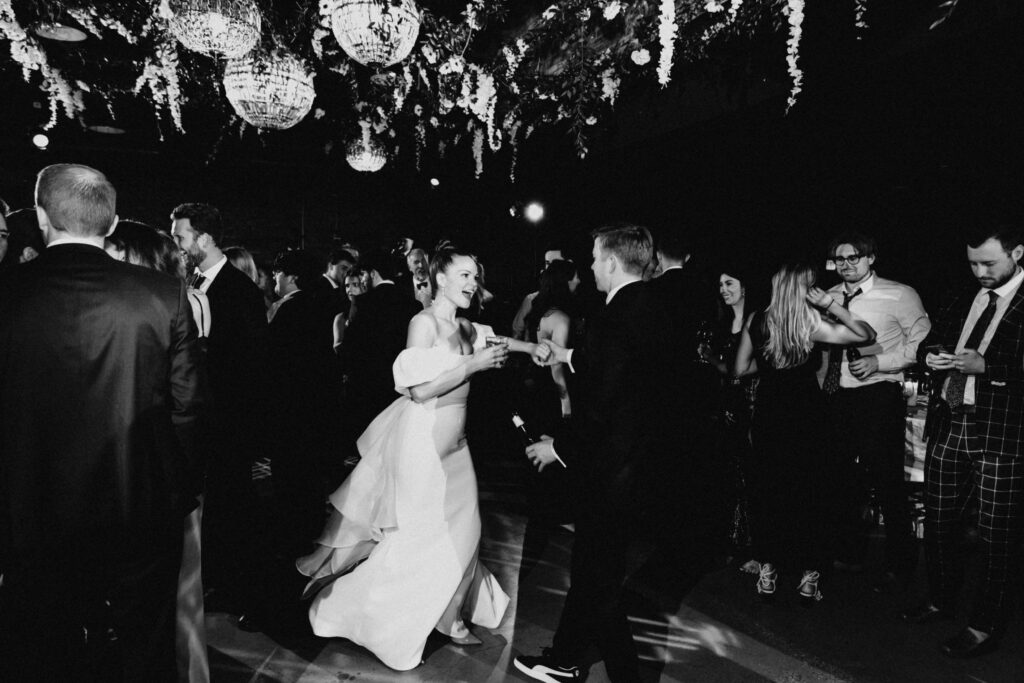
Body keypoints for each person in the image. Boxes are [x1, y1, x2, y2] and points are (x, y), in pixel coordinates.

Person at [0, 164, 203, 681]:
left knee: (41, 643)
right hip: (138, 501)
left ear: (42, 215)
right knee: (147, 644)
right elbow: (187, 407)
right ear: (111, 225)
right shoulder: (163, 294)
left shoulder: (7, 291)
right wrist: (180, 489)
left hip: (30, 505)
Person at [296, 248, 527, 670]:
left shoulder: (466, 326)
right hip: (422, 450)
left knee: (469, 533)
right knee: (417, 540)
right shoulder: (423, 324)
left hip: (457, 449)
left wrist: (538, 348)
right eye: (464, 275)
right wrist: (472, 365)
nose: (473, 284)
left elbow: (501, 340)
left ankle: (450, 616)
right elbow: (418, 390)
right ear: (439, 278)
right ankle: (360, 614)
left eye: (476, 276)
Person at [516, 224, 669, 683]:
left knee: (597, 579)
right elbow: (622, 369)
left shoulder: (614, 315)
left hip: (612, 469)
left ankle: (621, 675)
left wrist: (556, 446)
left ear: (612, 262)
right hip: (638, 462)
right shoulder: (650, 306)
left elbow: (601, 404)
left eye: (594, 258)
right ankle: (564, 658)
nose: (590, 267)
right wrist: (567, 356)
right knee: (592, 572)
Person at [902, 224, 1024, 659]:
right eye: (973, 262)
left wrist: (987, 367)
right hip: (950, 421)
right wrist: (930, 355)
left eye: (989, 262)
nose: (980, 271)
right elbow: (932, 339)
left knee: (997, 537)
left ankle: (985, 624)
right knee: (938, 522)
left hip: (1003, 435)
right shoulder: (964, 293)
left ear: (1018, 253)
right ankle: (940, 600)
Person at [105, 220, 211, 683]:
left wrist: (177, 480)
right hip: (151, 476)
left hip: (160, 475)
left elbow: (187, 403)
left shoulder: (171, 304)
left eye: (117, 254)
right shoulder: (134, 303)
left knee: (161, 595)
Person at [733, 263, 874, 605]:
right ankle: (809, 577)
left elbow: (739, 369)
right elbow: (865, 335)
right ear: (801, 289)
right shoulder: (811, 324)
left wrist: (768, 366)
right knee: (811, 494)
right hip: (808, 417)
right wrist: (831, 305)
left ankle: (768, 570)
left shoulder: (756, 320)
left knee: (770, 490)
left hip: (770, 415)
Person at [170, 202, 270, 631]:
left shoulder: (240, 291)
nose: (176, 244)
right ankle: (211, 578)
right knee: (211, 507)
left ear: (204, 239)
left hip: (230, 421)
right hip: (203, 420)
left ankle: (236, 587)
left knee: (233, 507)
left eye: (181, 237)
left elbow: (252, 367)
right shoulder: (191, 282)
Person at [822, 232, 930, 591]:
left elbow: (923, 345)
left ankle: (900, 563)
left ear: (871, 258)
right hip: (836, 396)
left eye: (854, 257)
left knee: (886, 481)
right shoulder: (830, 297)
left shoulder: (900, 294)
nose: (846, 265)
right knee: (841, 480)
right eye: (840, 259)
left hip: (879, 393)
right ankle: (850, 553)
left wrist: (880, 362)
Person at [267, 249, 340, 554]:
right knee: (308, 468)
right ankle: (309, 522)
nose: (274, 278)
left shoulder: (288, 310)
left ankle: (291, 529)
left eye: (278, 274)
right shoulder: (318, 305)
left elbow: (274, 359)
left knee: (290, 467)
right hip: (316, 400)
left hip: (290, 401)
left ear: (292, 277)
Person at [700, 265, 761, 566]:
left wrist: (712, 359)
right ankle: (728, 541)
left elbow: (741, 369)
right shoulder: (720, 325)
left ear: (745, 286)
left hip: (751, 405)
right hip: (723, 407)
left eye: (729, 283)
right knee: (725, 475)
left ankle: (751, 548)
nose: (723, 289)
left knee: (749, 476)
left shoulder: (758, 322)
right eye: (720, 284)